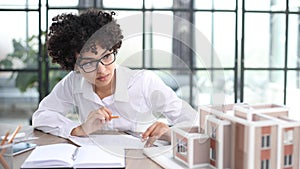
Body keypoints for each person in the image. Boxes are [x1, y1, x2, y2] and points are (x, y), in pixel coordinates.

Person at [32, 9, 198, 147]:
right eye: (89, 63)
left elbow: (192, 119)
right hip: (91, 160)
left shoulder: (144, 82)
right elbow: (42, 115)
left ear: (114, 48)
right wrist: (79, 129)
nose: (102, 70)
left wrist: (170, 133)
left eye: (106, 56)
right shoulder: (74, 82)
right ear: (74, 65)